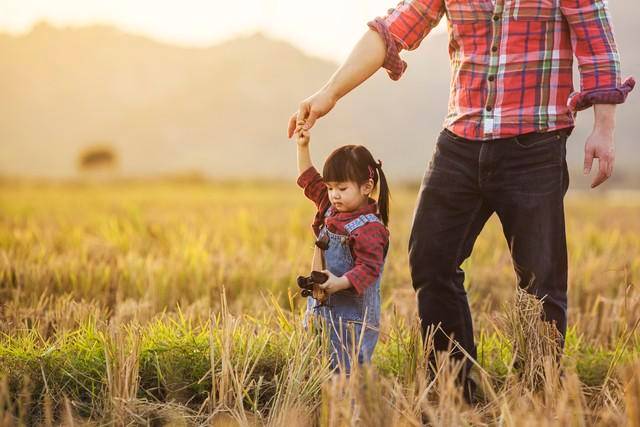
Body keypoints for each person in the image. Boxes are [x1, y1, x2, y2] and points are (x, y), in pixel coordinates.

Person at [286, 0, 634, 400]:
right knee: (431, 260)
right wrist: (330, 92)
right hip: (461, 141)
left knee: (541, 278)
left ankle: (539, 398)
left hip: (535, 143)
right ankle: (454, 393)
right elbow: (390, 30)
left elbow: (597, 45)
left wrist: (604, 129)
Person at [293, 121, 390, 373]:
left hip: (351, 322)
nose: (334, 194)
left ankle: (349, 412)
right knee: (315, 368)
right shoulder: (330, 206)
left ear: (366, 187)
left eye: (342, 188)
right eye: (331, 187)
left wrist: (339, 283)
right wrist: (303, 146)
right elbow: (309, 180)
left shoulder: (369, 228)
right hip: (320, 311)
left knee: (346, 375)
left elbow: (368, 268)